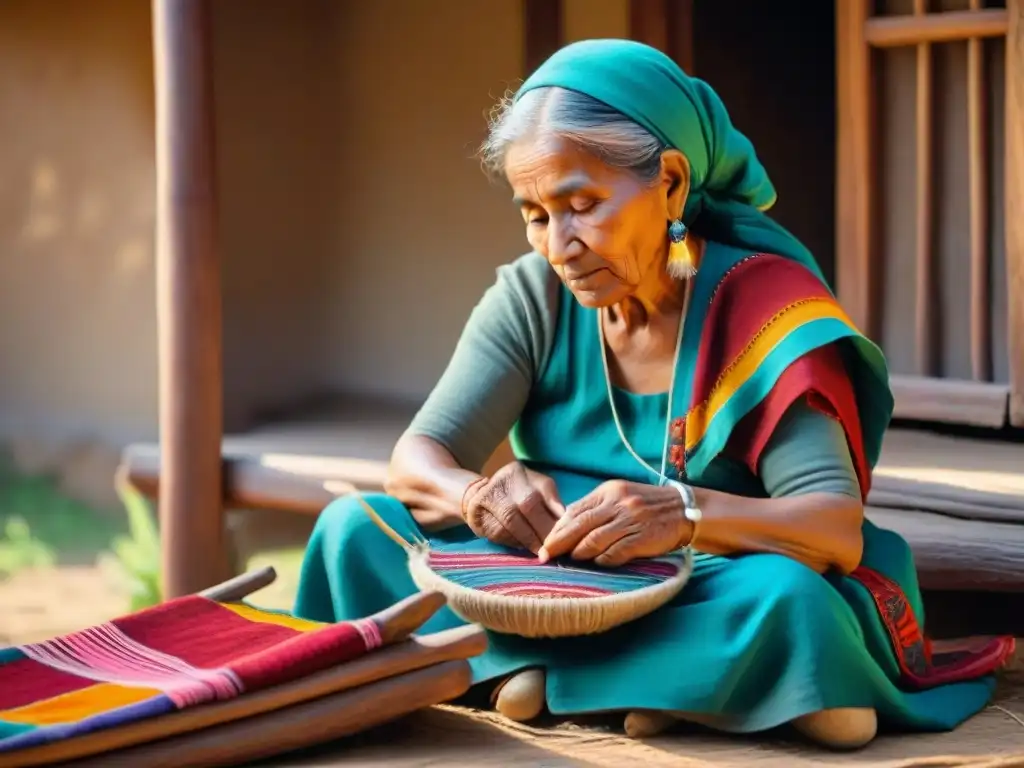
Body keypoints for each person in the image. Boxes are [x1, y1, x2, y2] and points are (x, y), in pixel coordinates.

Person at [294, 40, 1013, 749]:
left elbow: (832, 526)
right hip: (548, 577)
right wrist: (475, 498)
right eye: (536, 214)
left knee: (789, 605)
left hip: (705, 576)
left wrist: (686, 514)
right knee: (354, 531)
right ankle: (661, 690)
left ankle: (524, 672)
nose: (558, 244)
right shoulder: (534, 296)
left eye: (582, 205)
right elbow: (417, 460)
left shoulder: (766, 308)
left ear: (669, 183)